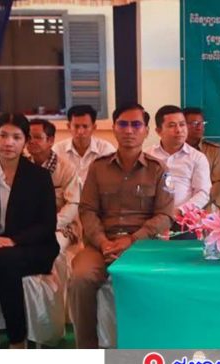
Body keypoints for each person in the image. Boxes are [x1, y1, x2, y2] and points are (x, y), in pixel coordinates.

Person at [69, 102, 174, 348]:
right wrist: (103, 242)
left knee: (150, 281)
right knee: (80, 278)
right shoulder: (98, 168)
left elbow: (165, 215)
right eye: (123, 124)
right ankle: (87, 350)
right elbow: (87, 210)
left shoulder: (158, 169)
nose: (129, 130)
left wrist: (132, 240)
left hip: (143, 246)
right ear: (114, 128)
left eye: (136, 125)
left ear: (146, 131)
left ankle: (147, 347)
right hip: (101, 245)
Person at [0, 113, 59, 348]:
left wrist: (12, 240)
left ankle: (17, 338)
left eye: (16, 137)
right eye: (3, 135)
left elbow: (47, 224)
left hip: (32, 246)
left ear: (25, 141)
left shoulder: (39, 176)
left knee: (5, 260)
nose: (8, 143)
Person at [27, 118, 81, 252]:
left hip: (62, 226)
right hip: (28, 226)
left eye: (37, 137)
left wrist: (49, 225)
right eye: (28, 137)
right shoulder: (22, 167)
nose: (32, 141)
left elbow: (73, 204)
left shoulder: (66, 168)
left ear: (50, 140)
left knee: (52, 247)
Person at [146, 105, 211, 210]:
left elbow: (203, 193)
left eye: (182, 124)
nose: (179, 130)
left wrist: (180, 211)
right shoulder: (147, 155)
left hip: (184, 216)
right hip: (151, 215)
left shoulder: (197, 158)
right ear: (158, 131)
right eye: (172, 126)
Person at [53, 104, 116, 184]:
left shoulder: (106, 150)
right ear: (69, 126)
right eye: (76, 126)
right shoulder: (57, 151)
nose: (80, 131)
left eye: (85, 126)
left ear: (94, 127)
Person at [184, 107, 220, 199]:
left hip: (205, 201)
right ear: (183, 125)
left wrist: (203, 200)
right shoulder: (175, 148)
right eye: (195, 123)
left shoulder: (213, 150)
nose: (200, 127)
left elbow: (218, 181)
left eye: (202, 123)